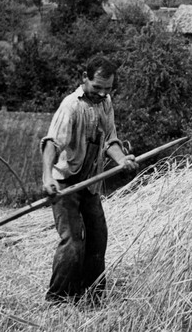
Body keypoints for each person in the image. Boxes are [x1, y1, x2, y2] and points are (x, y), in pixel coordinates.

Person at [40, 56, 138, 306]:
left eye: (108, 88)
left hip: (91, 185)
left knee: (97, 240)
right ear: (84, 77)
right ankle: (58, 300)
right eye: (97, 87)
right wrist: (47, 176)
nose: (103, 93)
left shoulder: (105, 102)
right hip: (66, 185)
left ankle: (91, 299)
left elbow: (110, 141)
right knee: (73, 244)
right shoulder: (71, 106)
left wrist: (121, 161)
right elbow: (52, 143)